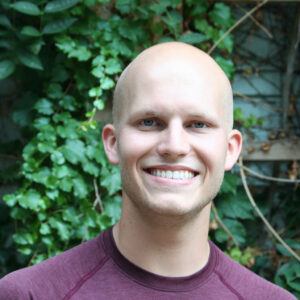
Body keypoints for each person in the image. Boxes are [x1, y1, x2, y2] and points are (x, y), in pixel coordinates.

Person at [0, 42, 296, 300]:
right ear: (113, 143)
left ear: (230, 149)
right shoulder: (29, 295)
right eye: (149, 122)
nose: (174, 146)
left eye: (198, 125)